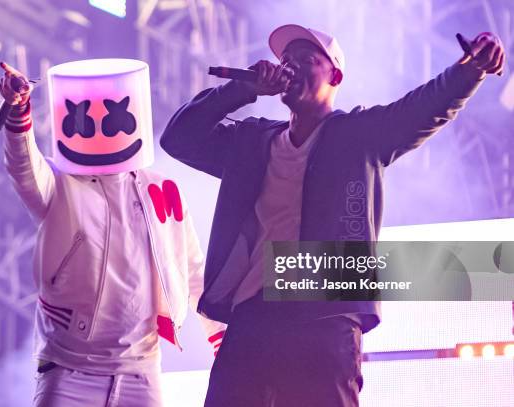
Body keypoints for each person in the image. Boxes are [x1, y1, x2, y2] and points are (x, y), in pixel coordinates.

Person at [160, 24, 504, 407]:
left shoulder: (357, 135)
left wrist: (470, 69)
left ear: (335, 75)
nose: (290, 67)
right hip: (251, 318)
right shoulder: (252, 142)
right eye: (285, 60)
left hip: (324, 321)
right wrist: (241, 89)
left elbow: (422, 109)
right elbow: (179, 138)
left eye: (306, 59)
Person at [0, 59, 225, 407]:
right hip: (68, 367)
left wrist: (221, 342)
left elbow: (192, 273)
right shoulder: (61, 184)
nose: (101, 126)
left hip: (142, 370)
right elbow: (24, 170)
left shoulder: (162, 189)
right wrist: (19, 114)